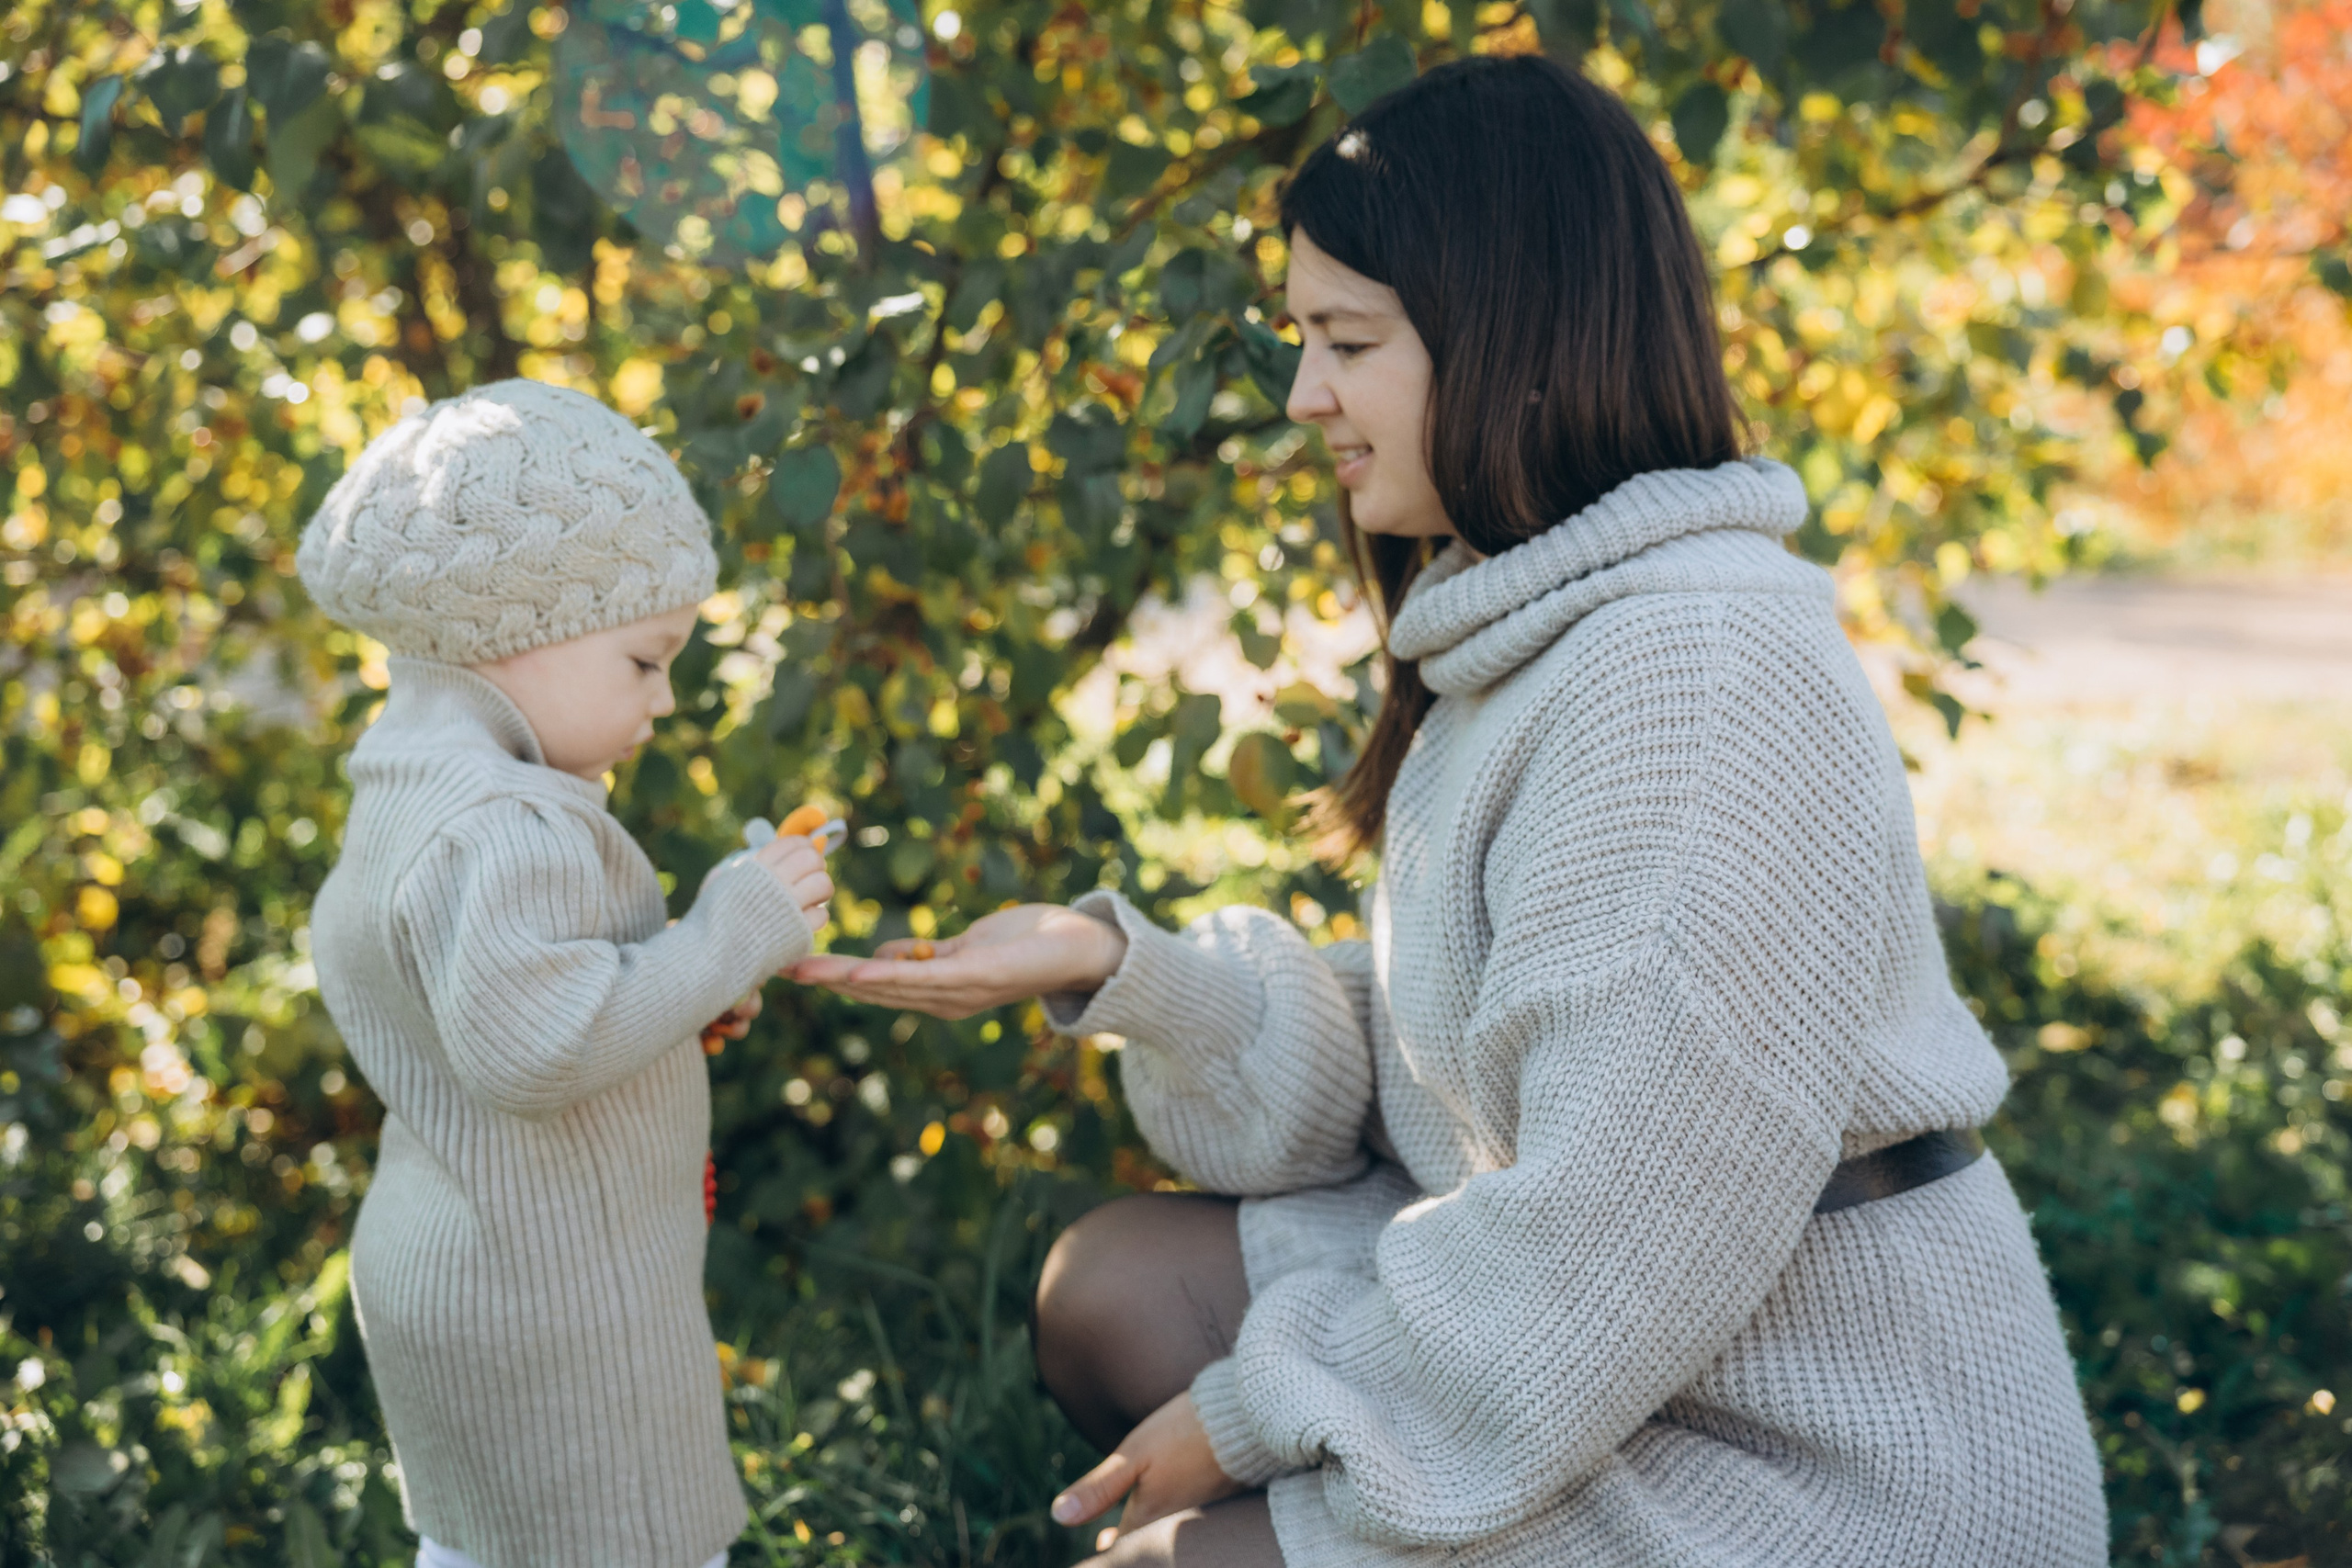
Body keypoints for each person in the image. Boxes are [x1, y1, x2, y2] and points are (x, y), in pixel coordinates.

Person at [793, 53, 2108, 1568]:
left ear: (1514, 334)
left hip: (1820, 1452)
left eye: (1348, 341)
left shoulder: (1691, 674)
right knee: (1114, 1286)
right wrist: (1124, 970)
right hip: (1634, 1353)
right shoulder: (1524, 626)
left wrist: (1253, 1416)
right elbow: (1451, 1055)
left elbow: (1623, 1226)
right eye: (1304, 339)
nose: (1304, 396)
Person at [298, 380, 833, 1568]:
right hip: (558, 1314)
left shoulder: (407, 788)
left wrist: (672, 991)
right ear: (511, 631)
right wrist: (728, 934)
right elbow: (541, 1049)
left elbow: (489, 1005)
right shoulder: (504, 825)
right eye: (645, 659)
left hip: (464, 1268)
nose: (665, 697)